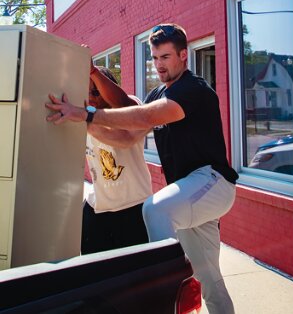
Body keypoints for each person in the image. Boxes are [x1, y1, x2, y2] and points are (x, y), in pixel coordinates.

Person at [46, 24, 238, 314]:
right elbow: (126, 121)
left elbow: (147, 114)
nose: (159, 65)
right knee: (209, 277)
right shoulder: (158, 92)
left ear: (183, 55)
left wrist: (84, 114)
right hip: (188, 195)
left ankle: (162, 292)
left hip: (213, 181)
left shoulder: (193, 89)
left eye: (166, 57)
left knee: (154, 210)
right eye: (155, 58)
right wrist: (93, 72)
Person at [81, 62, 152, 253]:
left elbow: (124, 140)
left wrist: (85, 120)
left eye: (96, 91)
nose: (90, 98)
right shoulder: (83, 114)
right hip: (97, 208)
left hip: (133, 207)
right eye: (86, 92)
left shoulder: (132, 108)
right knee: (95, 274)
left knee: (133, 275)